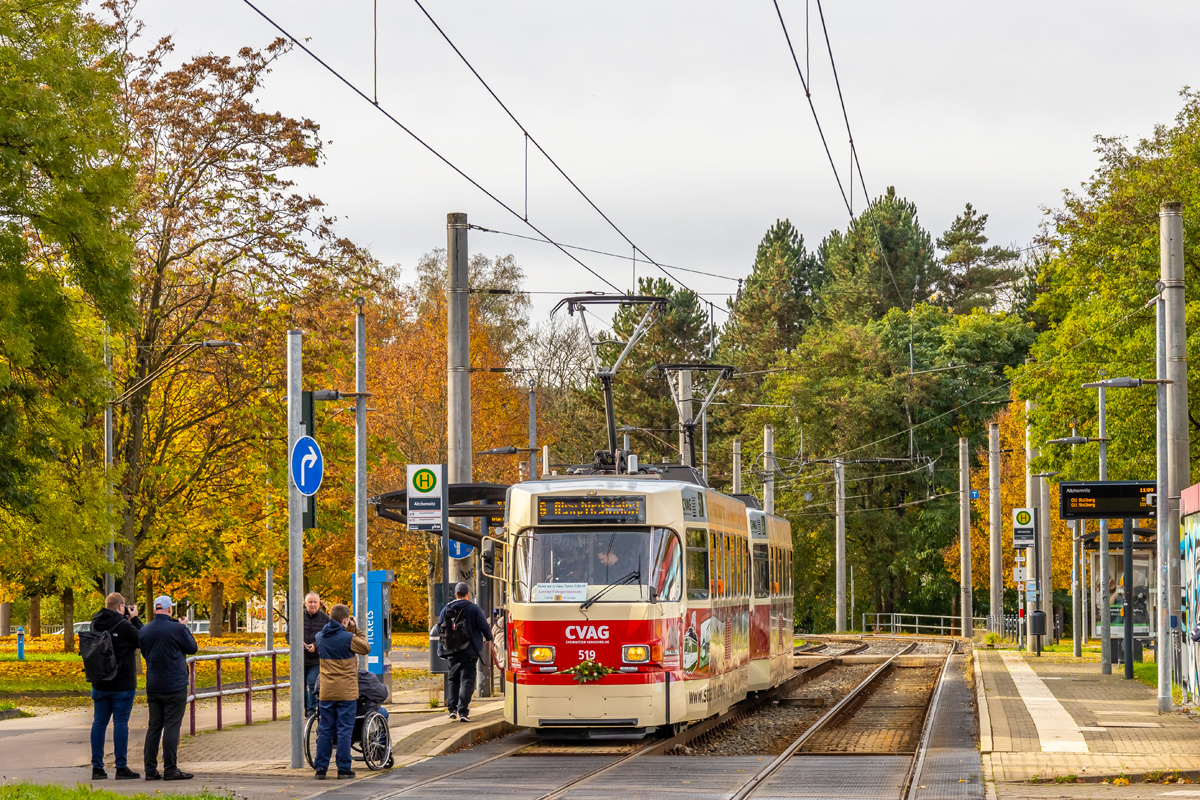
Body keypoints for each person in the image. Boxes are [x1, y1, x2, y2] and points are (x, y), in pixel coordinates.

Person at [138, 595, 198, 781]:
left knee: (154, 727)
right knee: (172, 726)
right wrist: (185, 628)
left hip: (154, 684)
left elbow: (146, 653)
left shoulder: (145, 630)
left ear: (154, 610)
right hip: (174, 684)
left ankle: (150, 769)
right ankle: (170, 769)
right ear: (170, 609)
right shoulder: (177, 629)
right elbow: (192, 648)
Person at [89, 593, 144, 780]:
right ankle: (121, 767)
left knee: (99, 723)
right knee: (120, 723)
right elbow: (143, 639)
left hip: (99, 681)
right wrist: (134, 619)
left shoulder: (95, 623)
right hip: (122, 683)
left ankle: (97, 768)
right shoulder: (124, 626)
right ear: (121, 607)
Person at [313, 604, 369, 780]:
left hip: (326, 692)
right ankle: (343, 769)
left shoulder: (319, 637)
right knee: (344, 730)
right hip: (346, 693)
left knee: (325, 730)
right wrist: (355, 629)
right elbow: (365, 648)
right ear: (345, 620)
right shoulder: (348, 638)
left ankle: (321, 768)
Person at [437, 582, 493, 723]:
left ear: (456, 594)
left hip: (452, 650)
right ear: (468, 594)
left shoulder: (446, 608)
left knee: (453, 679)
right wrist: (489, 638)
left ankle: (452, 710)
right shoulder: (474, 608)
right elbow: (484, 626)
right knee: (467, 679)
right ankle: (463, 711)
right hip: (470, 650)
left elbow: (440, 628)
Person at [302, 592, 329, 718]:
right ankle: (304, 707)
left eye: (315, 602)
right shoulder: (298, 616)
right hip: (300, 658)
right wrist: (298, 643)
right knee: (299, 686)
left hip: (316, 658)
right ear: (305, 603)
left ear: (319, 604)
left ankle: (311, 710)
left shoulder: (325, 619)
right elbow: (289, 635)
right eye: (310, 602)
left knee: (312, 682)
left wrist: (315, 645)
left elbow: (328, 637)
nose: (312, 604)